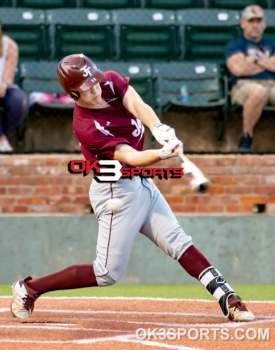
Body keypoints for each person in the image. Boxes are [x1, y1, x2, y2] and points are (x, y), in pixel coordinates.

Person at [11, 54, 254, 322]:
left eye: (95, 82)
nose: (96, 89)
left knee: (179, 243)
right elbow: (130, 156)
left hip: (141, 183)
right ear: (72, 94)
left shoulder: (110, 83)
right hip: (116, 191)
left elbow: (137, 104)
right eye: (87, 89)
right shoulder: (86, 125)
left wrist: (157, 126)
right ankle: (29, 288)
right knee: (106, 273)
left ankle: (227, 296)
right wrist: (162, 155)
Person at [225, 5, 275, 153]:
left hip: (272, 85)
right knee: (258, 91)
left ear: (264, 24)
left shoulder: (272, 44)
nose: (255, 25)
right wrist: (268, 63)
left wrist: (254, 59)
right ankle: (247, 136)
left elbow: (245, 65)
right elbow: (239, 69)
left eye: (258, 21)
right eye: (251, 21)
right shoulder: (235, 45)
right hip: (244, 85)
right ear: (243, 23)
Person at [0, 21, 29, 152]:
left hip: (3, 88)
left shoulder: (9, 45)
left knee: (19, 101)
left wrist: (4, 84)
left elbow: (9, 75)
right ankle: (1, 139)